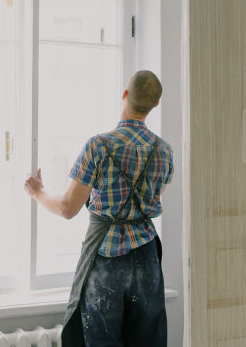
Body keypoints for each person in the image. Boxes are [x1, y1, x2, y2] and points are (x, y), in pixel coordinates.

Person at [24, 70, 174, 347]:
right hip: (147, 258)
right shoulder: (164, 151)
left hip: (108, 259)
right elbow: (152, 199)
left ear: (125, 94)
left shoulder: (99, 146)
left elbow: (68, 208)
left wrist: (38, 193)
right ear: (155, 105)